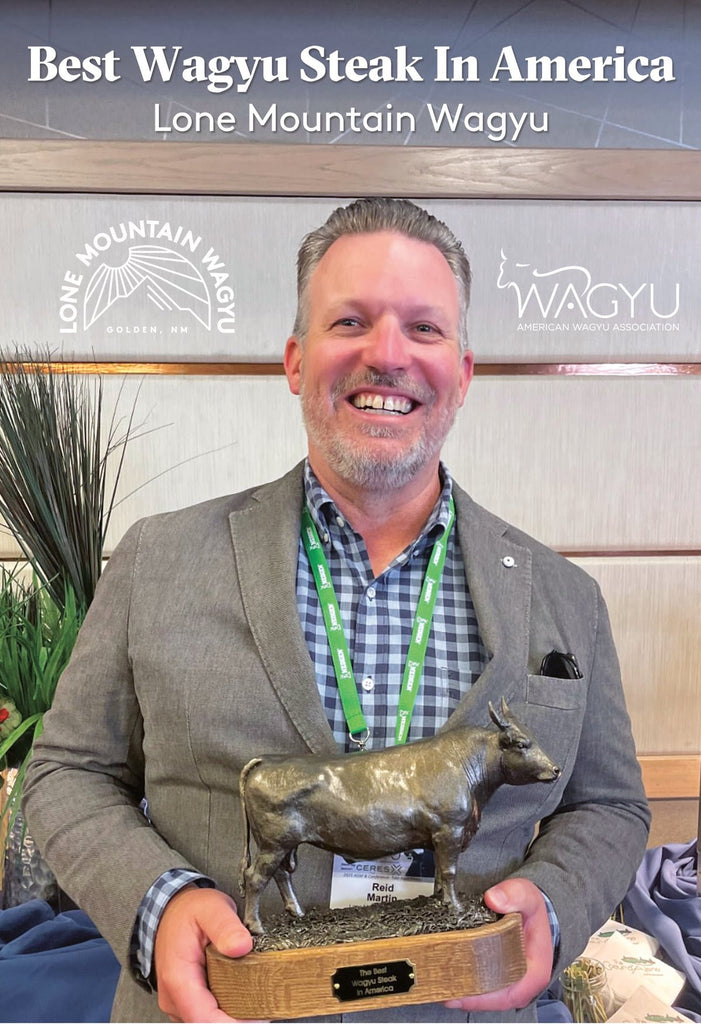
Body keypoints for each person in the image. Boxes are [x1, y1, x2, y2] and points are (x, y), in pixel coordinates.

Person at [23, 198, 650, 1023]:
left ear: (462, 375)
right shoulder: (157, 559)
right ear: (294, 359)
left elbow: (609, 806)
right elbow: (66, 772)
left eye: (424, 330)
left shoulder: (567, 596)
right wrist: (157, 904)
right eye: (350, 321)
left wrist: (554, 901)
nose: (387, 355)